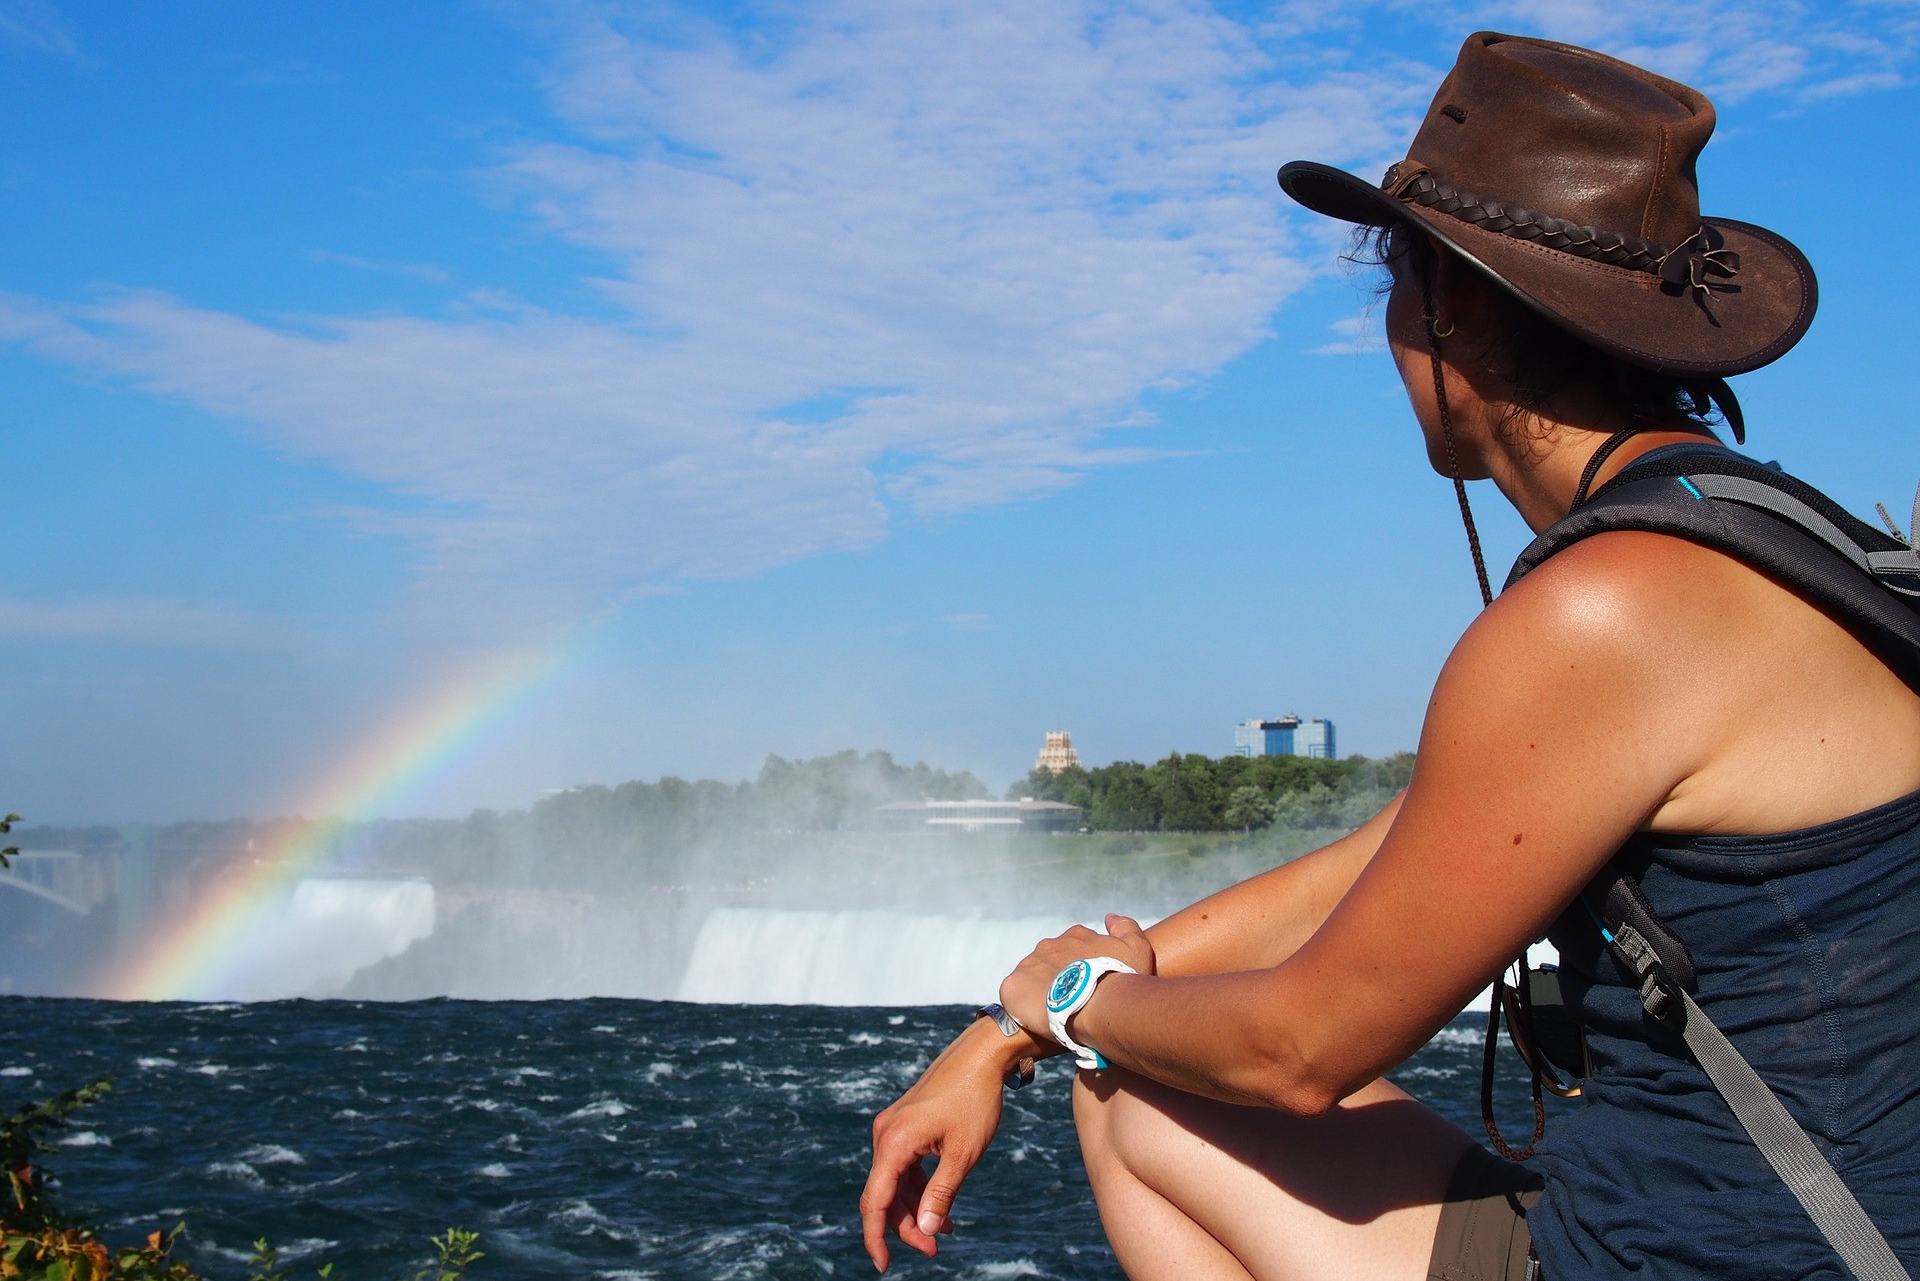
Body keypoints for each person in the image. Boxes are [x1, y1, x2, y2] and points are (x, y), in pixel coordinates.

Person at [860, 31, 1920, 1281]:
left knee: (1135, 1090)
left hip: (1714, 1259)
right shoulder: (1780, 538)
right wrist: (998, 1032)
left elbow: (1297, 1052)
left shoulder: (1606, 613)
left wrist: (1078, 1005)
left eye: (1395, 293)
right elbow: (1390, 854)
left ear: (1451, 306)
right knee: (1136, 1062)